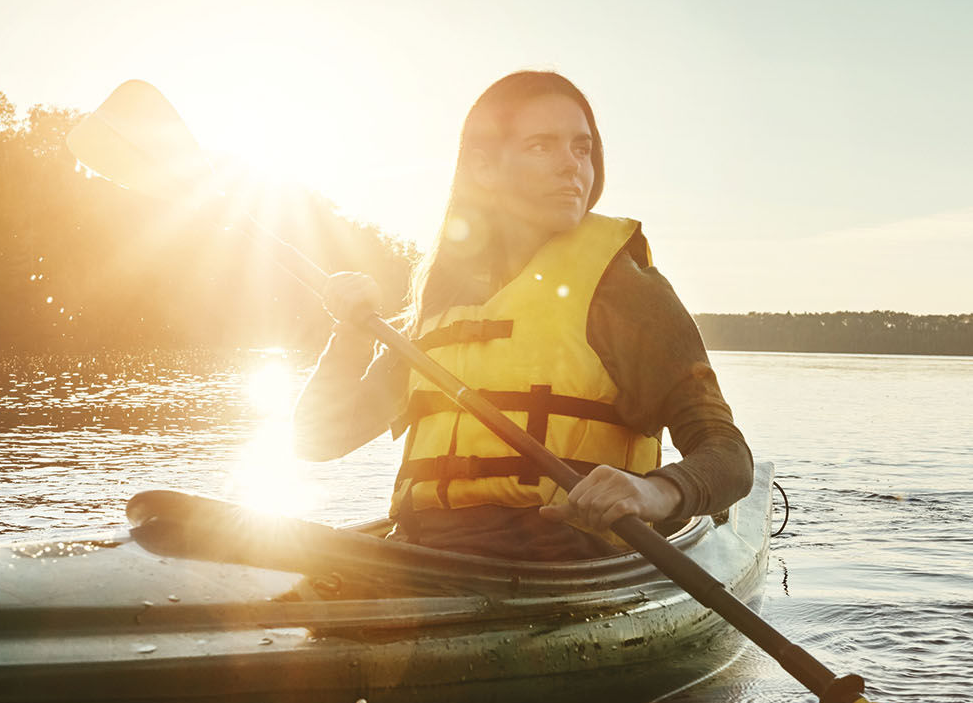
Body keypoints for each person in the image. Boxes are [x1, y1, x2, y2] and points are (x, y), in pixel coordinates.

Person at [292, 70, 753, 561]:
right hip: (425, 555)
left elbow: (728, 456)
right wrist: (348, 338)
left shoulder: (624, 289)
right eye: (542, 147)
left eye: (582, 148)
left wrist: (655, 493)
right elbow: (317, 440)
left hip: (567, 560)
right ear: (484, 167)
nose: (571, 167)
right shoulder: (443, 303)